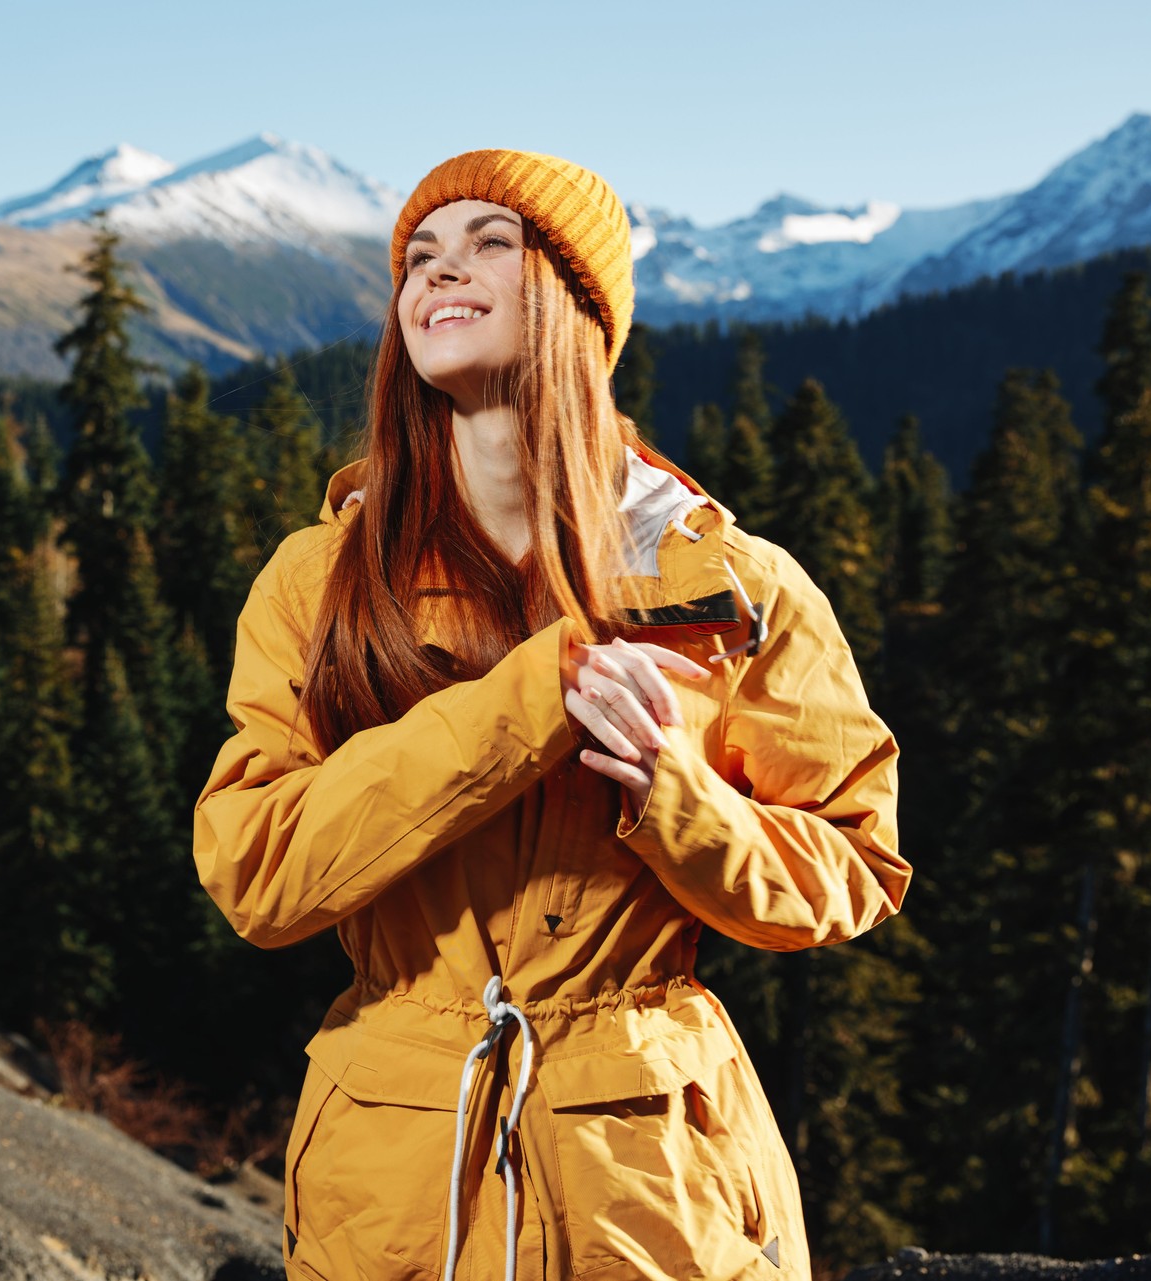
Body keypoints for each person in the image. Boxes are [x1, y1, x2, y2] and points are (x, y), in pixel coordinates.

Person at [191, 150, 908, 1281]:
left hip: (652, 1185)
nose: (440, 273)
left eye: (491, 244)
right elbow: (257, 876)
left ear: (579, 300)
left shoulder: (738, 588)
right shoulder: (319, 581)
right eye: (418, 257)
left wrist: (677, 794)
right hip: (388, 1178)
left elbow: (854, 872)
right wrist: (520, 707)